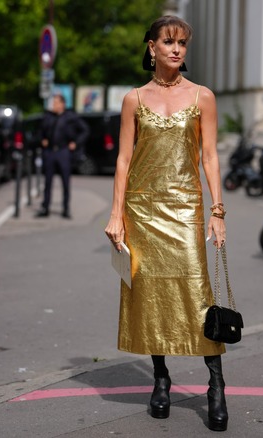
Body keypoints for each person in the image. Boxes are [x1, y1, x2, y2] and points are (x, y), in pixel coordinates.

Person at [103, 16, 230, 432]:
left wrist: (218, 211)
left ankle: (215, 384)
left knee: (197, 291)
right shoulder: (134, 99)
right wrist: (116, 213)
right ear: (151, 47)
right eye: (169, 42)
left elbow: (209, 156)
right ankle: (161, 378)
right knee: (150, 295)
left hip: (185, 208)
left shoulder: (203, 97)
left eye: (182, 44)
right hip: (142, 210)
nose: (176, 50)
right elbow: (123, 160)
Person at [36, 94, 89, 219]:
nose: (53, 105)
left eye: (56, 103)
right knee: (48, 181)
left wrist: (75, 143)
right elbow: (40, 131)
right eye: (53, 103)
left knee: (65, 181)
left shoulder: (70, 117)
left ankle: (66, 208)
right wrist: (42, 140)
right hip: (50, 152)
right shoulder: (48, 117)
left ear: (62, 104)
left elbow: (85, 130)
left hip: (63, 151)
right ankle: (45, 207)